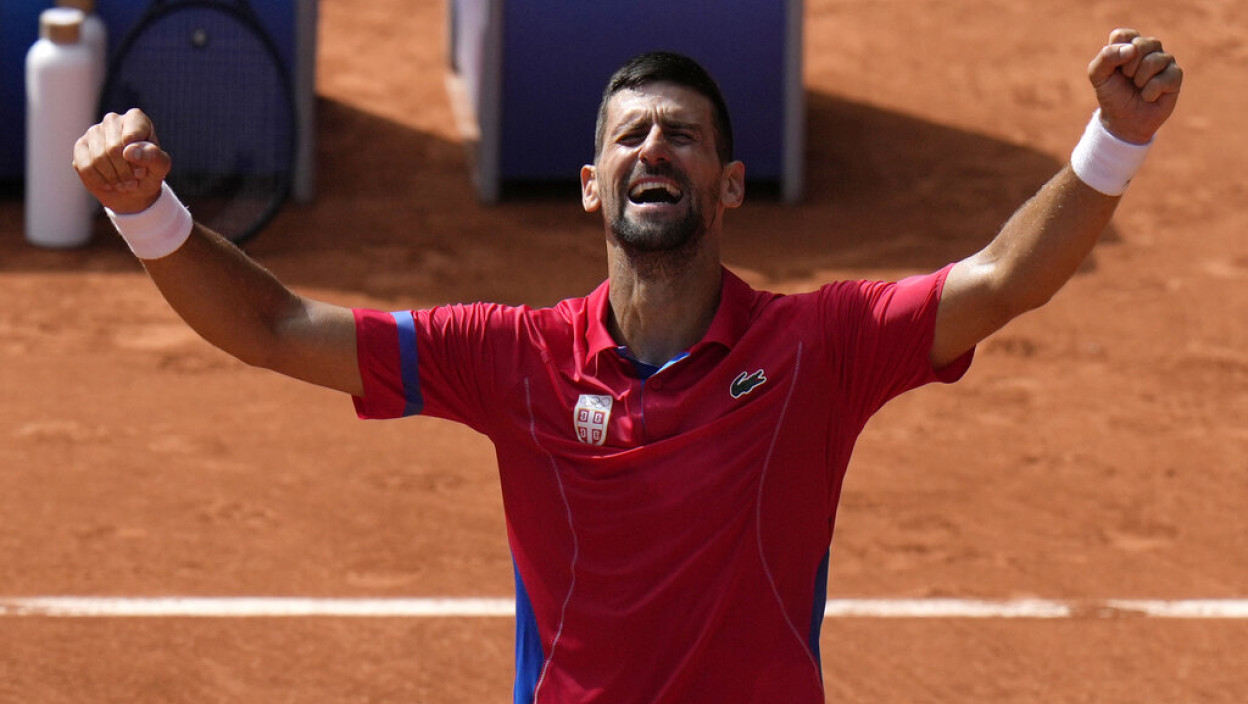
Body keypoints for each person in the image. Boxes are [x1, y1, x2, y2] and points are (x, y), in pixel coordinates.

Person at [74, 28, 1181, 704]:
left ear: (730, 184)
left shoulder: (819, 347)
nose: (655, 147)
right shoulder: (511, 357)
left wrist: (1116, 137)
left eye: (684, 135)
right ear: (593, 184)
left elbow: (1002, 279)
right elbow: (275, 327)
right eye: (631, 136)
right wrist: (146, 213)